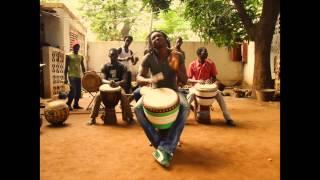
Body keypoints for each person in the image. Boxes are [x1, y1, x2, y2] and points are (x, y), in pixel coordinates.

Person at [134, 30, 190, 168]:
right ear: (151, 43)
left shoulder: (177, 55)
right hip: (155, 92)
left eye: (159, 36)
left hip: (174, 92)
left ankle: (164, 147)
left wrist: (176, 68)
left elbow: (184, 80)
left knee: (185, 107)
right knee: (138, 108)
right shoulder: (148, 57)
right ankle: (163, 144)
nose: (156, 38)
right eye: (153, 38)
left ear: (166, 39)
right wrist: (150, 79)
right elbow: (139, 77)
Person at [187, 47, 235, 126]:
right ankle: (184, 118)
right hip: (196, 87)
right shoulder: (192, 65)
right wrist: (198, 81)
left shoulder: (211, 63)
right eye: (204, 52)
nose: (206, 54)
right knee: (189, 97)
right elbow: (188, 79)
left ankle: (228, 118)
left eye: (206, 52)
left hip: (209, 88)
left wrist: (210, 80)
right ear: (199, 54)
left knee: (219, 95)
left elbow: (214, 77)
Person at [87, 48, 134, 125]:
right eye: (111, 55)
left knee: (124, 97)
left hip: (118, 87)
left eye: (115, 55)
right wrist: (109, 82)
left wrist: (117, 83)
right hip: (107, 87)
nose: (113, 56)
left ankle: (129, 117)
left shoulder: (122, 67)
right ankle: (93, 118)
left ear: (117, 55)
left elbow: (124, 81)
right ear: (109, 55)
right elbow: (102, 79)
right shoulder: (105, 66)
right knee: (98, 96)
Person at [64, 41, 86, 111]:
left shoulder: (81, 56)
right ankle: (68, 104)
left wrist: (85, 75)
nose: (76, 48)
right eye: (75, 46)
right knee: (73, 90)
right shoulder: (68, 55)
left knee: (78, 91)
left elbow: (83, 67)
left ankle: (76, 104)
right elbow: (66, 67)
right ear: (72, 47)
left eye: (78, 46)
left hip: (78, 76)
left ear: (79, 47)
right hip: (71, 75)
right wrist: (65, 78)